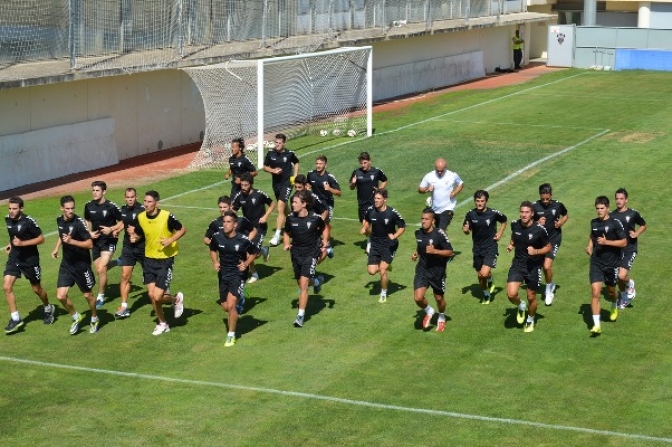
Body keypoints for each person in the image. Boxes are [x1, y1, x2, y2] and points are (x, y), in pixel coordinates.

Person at [136, 190, 187, 335]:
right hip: (149, 260)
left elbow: (183, 229)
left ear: (156, 203)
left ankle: (176, 299)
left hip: (165, 261)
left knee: (158, 296)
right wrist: (134, 236)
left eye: (149, 202)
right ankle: (163, 323)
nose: (146, 204)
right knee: (152, 296)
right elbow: (140, 232)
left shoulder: (166, 216)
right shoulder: (140, 217)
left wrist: (170, 240)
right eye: (145, 201)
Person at [3, 197, 54, 333]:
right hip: (15, 257)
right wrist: (11, 244)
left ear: (21, 208)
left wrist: (22, 244)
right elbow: (13, 235)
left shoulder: (29, 222)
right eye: (10, 208)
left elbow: (41, 239)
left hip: (30, 260)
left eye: (14, 209)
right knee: (7, 287)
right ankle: (15, 318)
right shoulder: (7, 219)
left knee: (37, 289)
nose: (12, 211)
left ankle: (48, 307)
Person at [51, 195, 99, 334]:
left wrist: (72, 242)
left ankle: (94, 318)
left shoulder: (79, 223)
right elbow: (62, 235)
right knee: (60, 296)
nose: (70, 211)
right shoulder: (59, 220)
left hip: (82, 265)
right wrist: (56, 248)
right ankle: (76, 316)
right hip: (67, 264)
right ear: (62, 208)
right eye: (67, 209)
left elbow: (90, 244)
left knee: (88, 295)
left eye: (72, 208)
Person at [209, 211, 255, 347]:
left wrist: (246, 264)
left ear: (235, 225)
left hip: (238, 275)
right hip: (223, 274)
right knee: (225, 307)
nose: (225, 224)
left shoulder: (243, 239)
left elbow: (254, 252)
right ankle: (240, 299)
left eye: (228, 222)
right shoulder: (217, 237)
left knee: (231, 305)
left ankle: (231, 335)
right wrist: (215, 262)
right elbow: (212, 249)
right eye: (224, 221)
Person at [283, 190, 328, 328]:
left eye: (295, 202)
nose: (293, 204)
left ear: (304, 204)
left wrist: (325, 241)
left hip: (311, 253)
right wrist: (286, 243)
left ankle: (300, 317)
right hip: (296, 254)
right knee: (302, 282)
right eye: (292, 202)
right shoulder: (291, 219)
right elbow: (286, 232)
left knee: (303, 285)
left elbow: (324, 228)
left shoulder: (315, 218)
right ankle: (316, 281)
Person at [505, 201, 551, 333]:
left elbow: (548, 247)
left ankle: (530, 320)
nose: (524, 215)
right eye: (522, 212)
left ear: (532, 214)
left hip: (533, 266)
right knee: (511, 294)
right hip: (518, 264)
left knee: (531, 297)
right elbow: (515, 235)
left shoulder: (539, 230)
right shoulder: (515, 224)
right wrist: (511, 245)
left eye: (526, 212)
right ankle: (521, 305)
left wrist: (536, 252)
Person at [586, 196, 627, 337]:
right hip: (596, 262)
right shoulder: (594, 222)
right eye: (597, 208)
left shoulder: (615, 223)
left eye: (602, 208)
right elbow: (592, 235)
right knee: (595, 292)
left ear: (608, 208)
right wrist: (589, 246)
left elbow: (624, 242)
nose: (599, 211)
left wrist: (606, 242)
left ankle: (614, 303)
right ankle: (597, 325)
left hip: (612, 264)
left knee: (611, 291)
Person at [462, 190, 507, 304]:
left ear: (486, 201)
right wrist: (466, 230)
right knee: (480, 275)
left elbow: (504, 220)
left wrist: (500, 233)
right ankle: (486, 292)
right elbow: (467, 230)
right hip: (477, 249)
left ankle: (489, 278)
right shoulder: (470, 214)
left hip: (490, 247)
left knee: (484, 273)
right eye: (477, 201)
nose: (479, 203)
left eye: (482, 201)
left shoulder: (493, 213)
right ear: (474, 201)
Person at [412, 208, 454, 332]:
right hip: (423, 269)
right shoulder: (418, 233)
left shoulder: (439, 234)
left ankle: (441, 316)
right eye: (422, 219)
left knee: (439, 298)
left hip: (437, 271)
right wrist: (416, 254)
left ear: (433, 221)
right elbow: (420, 247)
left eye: (426, 219)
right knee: (418, 298)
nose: (423, 221)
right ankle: (429, 310)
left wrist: (435, 251)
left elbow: (450, 252)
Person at [361, 189, 406, 303]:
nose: (375, 201)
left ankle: (383, 293)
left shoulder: (392, 213)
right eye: (375, 198)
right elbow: (366, 221)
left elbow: (402, 226)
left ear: (384, 200)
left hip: (389, 244)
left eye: (378, 199)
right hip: (375, 243)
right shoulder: (370, 210)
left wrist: (395, 236)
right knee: (371, 271)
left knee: (382, 270)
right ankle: (386, 265)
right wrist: (365, 227)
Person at [84, 180, 122, 309]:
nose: (94, 193)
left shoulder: (111, 206)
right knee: (100, 269)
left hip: (109, 240)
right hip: (95, 241)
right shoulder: (88, 206)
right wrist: (88, 232)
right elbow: (87, 220)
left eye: (97, 190)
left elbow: (123, 221)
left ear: (104, 191)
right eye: (93, 190)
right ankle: (117, 262)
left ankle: (100, 296)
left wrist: (112, 229)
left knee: (101, 269)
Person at [232, 172, 274, 283]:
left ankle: (264, 250)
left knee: (254, 254)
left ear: (251, 184)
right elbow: (233, 210)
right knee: (247, 252)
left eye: (246, 185)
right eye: (242, 185)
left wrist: (265, 216)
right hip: (247, 228)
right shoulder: (239, 196)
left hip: (260, 227)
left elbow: (272, 204)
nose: (243, 188)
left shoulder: (259, 194)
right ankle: (254, 274)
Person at [532, 183, 569, 306]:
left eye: (548, 198)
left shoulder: (558, 205)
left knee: (547, 266)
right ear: (540, 196)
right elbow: (527, 222)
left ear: (551, 195)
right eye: (543, 199)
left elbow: (565, 215)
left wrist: (560, 223)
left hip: (554, 239)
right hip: (540, 241)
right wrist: (537, 222)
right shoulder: (534, 207)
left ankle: (548, 290)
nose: (545, 201)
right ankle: (551, 283)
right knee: (542, 266)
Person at [111, 188, 145, 318]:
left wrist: (137, 236)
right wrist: (118, 230)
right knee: (125, 276)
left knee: (150, 276)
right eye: (128, 197)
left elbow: (147, 228)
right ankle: (124, 306)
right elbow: (123, 222)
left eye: (132, 197)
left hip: (142, 247)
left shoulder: (142, 210)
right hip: (128, 247)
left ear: (136, 196)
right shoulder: (123, 209)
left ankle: (163, 294)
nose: (130, 199)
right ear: (125, 198)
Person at [611, 188, 647, 309]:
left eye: (621, 199)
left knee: (622, 276)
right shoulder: (612, 215)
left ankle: (630, 284)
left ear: (626, 200)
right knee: (617, 277)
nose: (618, 201)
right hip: (617, 250)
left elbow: (643, 225)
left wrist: (636, 234)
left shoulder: (632, 213)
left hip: (630, 248)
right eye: (617, 199)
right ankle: (624, 297)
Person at [263, 133, 299, 247]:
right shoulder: (270, 153)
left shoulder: (289, 154)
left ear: (284, 143)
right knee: (284, 208)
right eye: (276, 143)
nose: (277, 145)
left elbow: (296, 162)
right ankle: (296, 222)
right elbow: (264, 167)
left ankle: (277, 236)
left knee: (280, 208)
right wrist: (272, 170)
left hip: (287, 184)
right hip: (276, 185)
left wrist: (295, 176)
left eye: (279, 143)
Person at [349, 152, 388, 253]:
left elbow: (385, 180)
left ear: (370, 162)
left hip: (374, 203)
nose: (363, 165)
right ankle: (372, 240)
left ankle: (370, 243)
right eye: (361, 163)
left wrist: (379, 190)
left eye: (365, 163)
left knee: (370, 225)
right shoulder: (356, 172)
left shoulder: (376, 171)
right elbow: (351, 187)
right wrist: (353, 183)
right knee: (366, 226)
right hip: (362, 204)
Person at [307, 155, 341, 256]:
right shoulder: (311, 174)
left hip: (327, 204)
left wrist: (330, 189)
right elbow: (308, 184)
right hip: (315, 203)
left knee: (324, 223)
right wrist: (308, 187)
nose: (318, 165)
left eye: (320, 164)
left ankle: (327, 245)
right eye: (317, 163)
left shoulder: (329, 177)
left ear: (325, 165)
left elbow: (339, 192)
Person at [418, 158, 464, 231]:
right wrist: (427, 189)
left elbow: (460, 184)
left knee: (441, 230)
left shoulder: (452, 175)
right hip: (435, 209)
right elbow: (420, 189)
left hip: (448, 208)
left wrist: (455, 193)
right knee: (435, 232)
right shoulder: (429, 176)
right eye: (438, 171)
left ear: (445, 168)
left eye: (441, 171)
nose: (439, 173)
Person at [293, 174, 330, 261]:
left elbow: (325, 211)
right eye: (296, 187)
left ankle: (326, 251)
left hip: (312, 229)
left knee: (311, 258)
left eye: (299, 187)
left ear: (305, 186)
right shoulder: (294, 198)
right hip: (301, 229)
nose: (297, 190)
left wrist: (318, 223)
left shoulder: (312, 197)